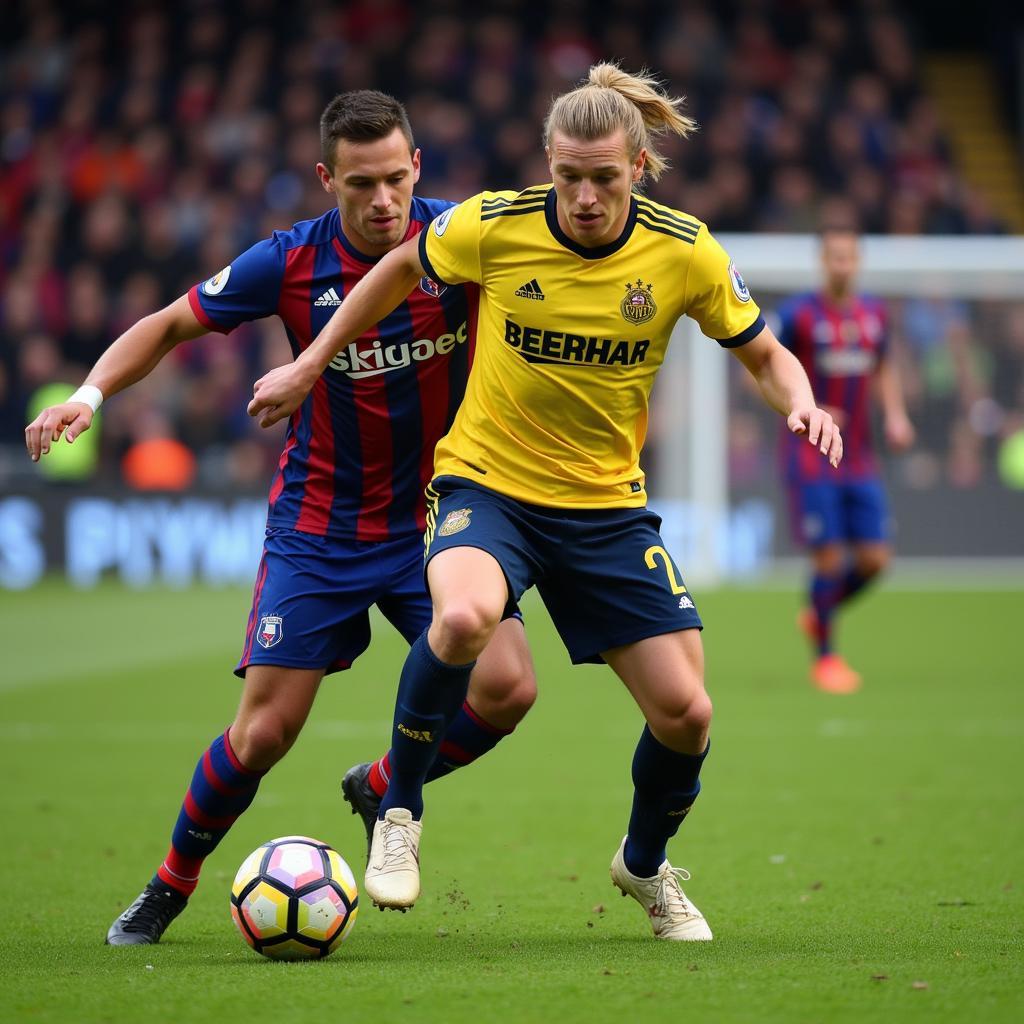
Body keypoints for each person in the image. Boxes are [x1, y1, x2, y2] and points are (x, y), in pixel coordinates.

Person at [248, 64, 843, 942]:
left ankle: (644, 866)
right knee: (462, 620)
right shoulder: (496, 223)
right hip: (488, 486)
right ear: (548, 166)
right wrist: (308, 362)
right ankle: (400, 815)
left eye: (605, 177)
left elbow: (763, 351)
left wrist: (799, 398)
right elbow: (394, 270)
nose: (586, 196)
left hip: (605, 508)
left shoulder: (685, 251)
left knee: (687, 715)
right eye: (569, 176)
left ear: (638, 168)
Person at [24, 90, 536, 945]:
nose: (382, 202)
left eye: (395, 181)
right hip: (321, 525)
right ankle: (168, 884)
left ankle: (381, 786)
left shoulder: (465, 237)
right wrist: (89, 394)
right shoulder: (289, 261)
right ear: (326, 178)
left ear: (418, 168)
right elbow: (168, 323)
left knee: (509, 686)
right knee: (263, 732)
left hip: (439, 521)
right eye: (360, 184)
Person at [777, 227, 914, 694]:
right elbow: (769, 369)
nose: (841, 266)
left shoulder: (873, 314)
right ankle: (827, 660)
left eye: (848, 258)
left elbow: (884, 366)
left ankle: (818, 612)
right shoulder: (797, 316)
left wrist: (895, 415)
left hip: (859, 458)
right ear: (822, 261)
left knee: (875, 560)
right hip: (811, 456)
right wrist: (807, 404)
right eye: (833, 258)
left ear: (858, 261)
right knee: (830, 560)